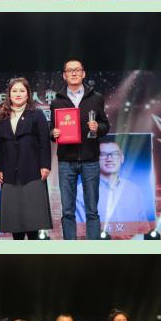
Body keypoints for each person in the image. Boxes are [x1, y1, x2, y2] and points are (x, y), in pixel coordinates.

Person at [50, 57, 110, 239]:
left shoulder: (96, 98)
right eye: (70, 70)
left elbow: (106, 125)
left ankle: (93, 249)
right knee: (67, 211)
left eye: (77, 70)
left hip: (90, 160)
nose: (74, 73)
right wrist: (53, 133)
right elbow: (51, 130)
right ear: (64, 75)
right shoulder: (57, 101)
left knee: (92, 210)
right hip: (66, 161)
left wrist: (97, 127)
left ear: (83, 74)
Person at [0, 77, 52, 240]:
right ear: (9, 94)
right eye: (14, 91)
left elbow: (44, 142)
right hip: (9, 172)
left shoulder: (37, 114)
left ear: (28, 94)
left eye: (22, 90)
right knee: (14, 221)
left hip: (33, 171)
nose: (18, 94)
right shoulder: (1, 117)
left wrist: (45, 165)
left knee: (33, 220)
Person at [76, 138, 150, 232]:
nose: (109, 159)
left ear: (122, 158)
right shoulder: (81, 192)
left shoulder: (134, 190)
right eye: (103, 154)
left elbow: (144, 229)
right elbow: (81, 232)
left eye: (115, 154)